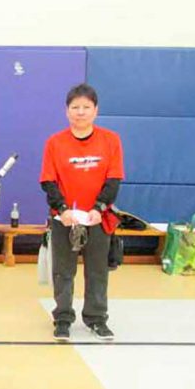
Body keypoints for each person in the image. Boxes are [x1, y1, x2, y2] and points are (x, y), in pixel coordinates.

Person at [39, 83, 125, 342]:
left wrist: (99, 208)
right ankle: (63, 318)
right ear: (67, 111)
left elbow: (114, 179)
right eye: (75, 107)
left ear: (95, 110)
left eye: (86, 107)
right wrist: (63, 210)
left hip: (98, 219)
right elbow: (48, 181)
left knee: (97, 270)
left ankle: (96, 318)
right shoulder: (55, 143)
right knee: (63, 271)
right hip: (64, 219)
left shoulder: (111, 140)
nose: (80, 112)